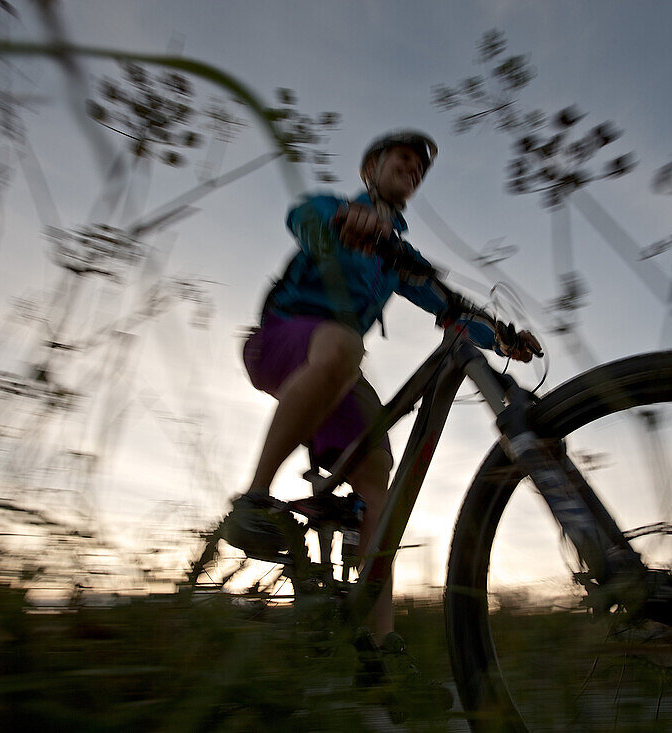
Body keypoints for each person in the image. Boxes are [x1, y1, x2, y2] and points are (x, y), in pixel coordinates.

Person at [226, 129, 541, 691]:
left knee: (379, 484)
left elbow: (448, 307)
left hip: (336, 369)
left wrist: (502, 338)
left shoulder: (399, 256)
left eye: (421, 170)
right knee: (345, 347)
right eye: (403, 161)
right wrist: (347, 221)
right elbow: (304, 217)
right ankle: (252, 502)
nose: (413, 171)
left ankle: (378, 645)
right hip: (281, 340)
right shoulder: (341, 210)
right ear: (371, 167)